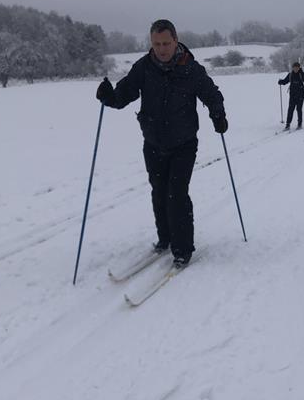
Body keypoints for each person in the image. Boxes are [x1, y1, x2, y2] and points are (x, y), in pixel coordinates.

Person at [96, 19, 227, 268]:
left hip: (184, 143)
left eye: (166, 43)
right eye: (157, 44)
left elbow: (211, 93)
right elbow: (124, 94)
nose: (162, 49)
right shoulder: (144, 67)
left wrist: (218, 113)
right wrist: (108, 96)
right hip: (153, 142)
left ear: (175, 41)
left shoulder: (190, 68)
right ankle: (165, 238)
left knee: (176, 194)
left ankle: (183, 248)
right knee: (159, 193)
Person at [278, 62, 304, 130]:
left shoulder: (301, 74)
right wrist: (280, 82)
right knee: (290, 109)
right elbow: (285, 81)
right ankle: (288, 125)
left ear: (299, 68)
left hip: (301, 95)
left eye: (297, 67)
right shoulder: (290, 75)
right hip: (292, 95)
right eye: (294, 67)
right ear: (292, 68)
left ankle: (299, 124)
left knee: (299, 109)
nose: (296, 68)